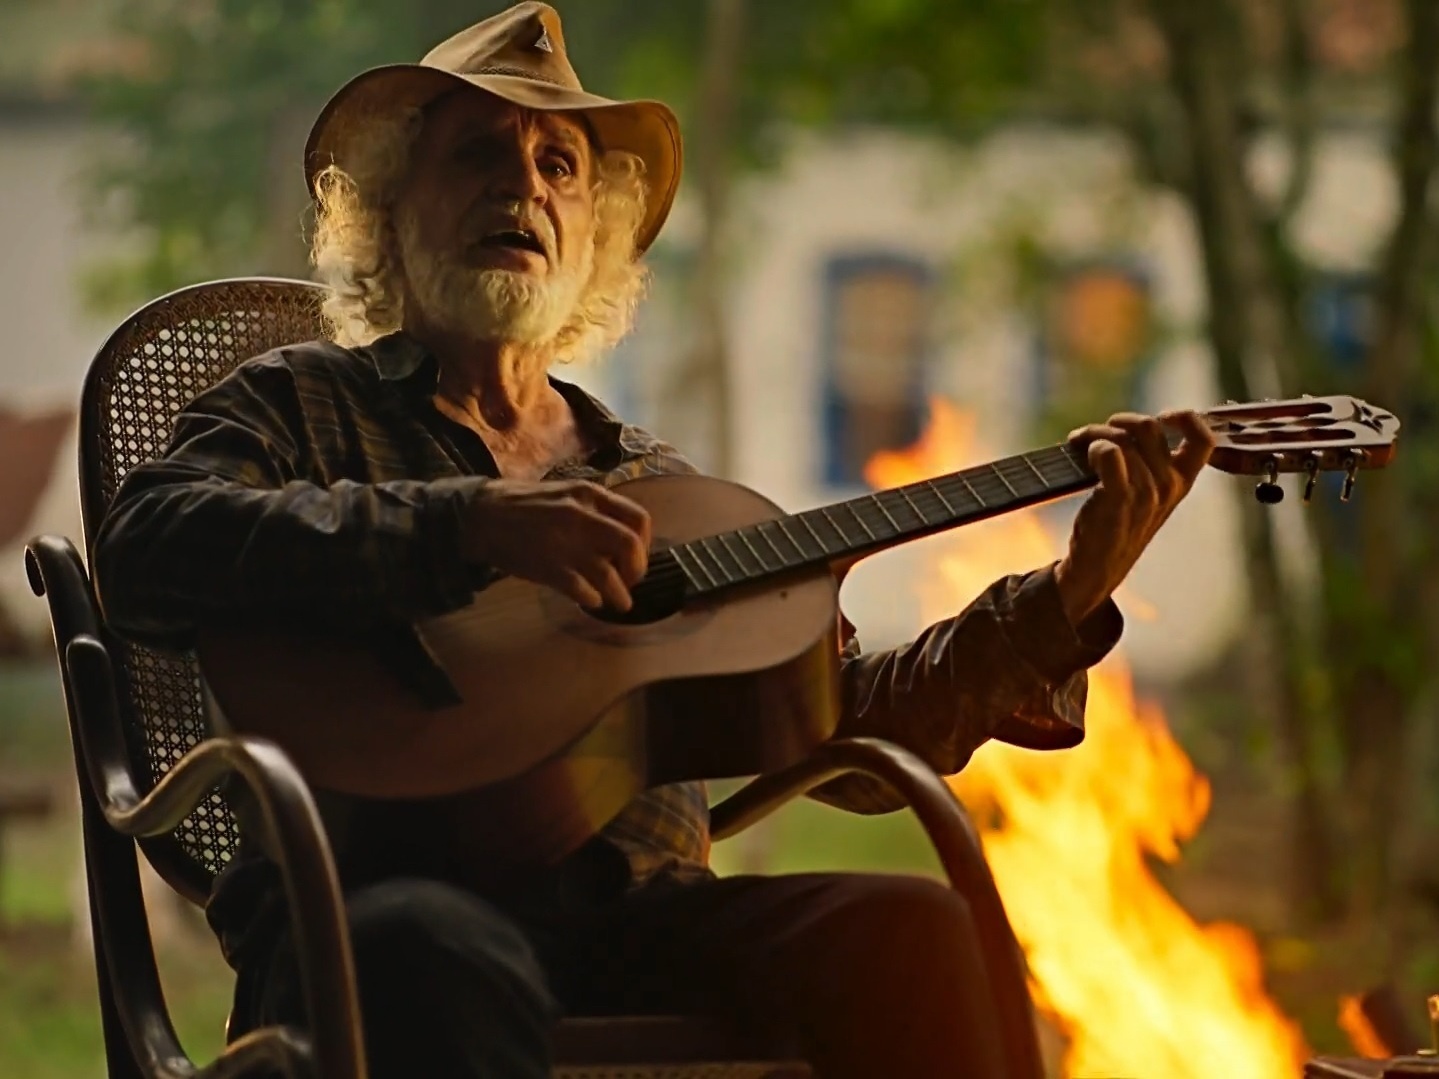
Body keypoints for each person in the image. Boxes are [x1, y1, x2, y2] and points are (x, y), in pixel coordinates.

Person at [91, 4, 1216, 1077]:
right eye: (478, 153)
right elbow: (150, 541)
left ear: (593, 239)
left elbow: (850, 724)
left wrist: (1068, 592)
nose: (519, 186)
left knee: (907, 926)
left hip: (634, 913)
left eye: (556, 167)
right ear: (391, 213)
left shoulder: (660, 489)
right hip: (370, 899)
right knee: (433, 953)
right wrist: (463, 523)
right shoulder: (297, 405)